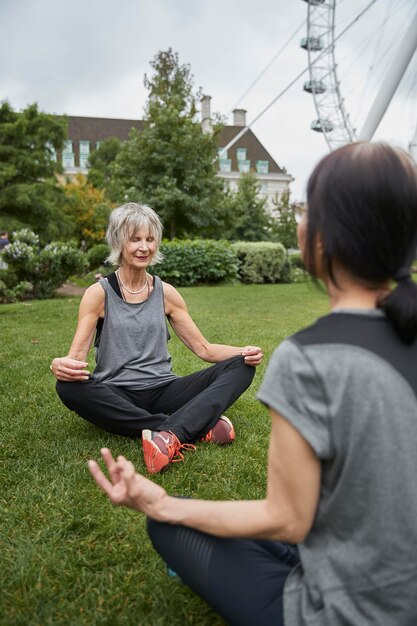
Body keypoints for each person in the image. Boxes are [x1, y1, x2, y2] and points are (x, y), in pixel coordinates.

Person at [88, 143, 417, 625]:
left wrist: (164, 504)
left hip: (347, 612)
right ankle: (177, 429)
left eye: (306, 207)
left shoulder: (309, 360)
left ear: (320, 238)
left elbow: (288, 519)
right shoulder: (102, 292)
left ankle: (174, 438)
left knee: (169, 526)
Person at [51, 202, 262, 474]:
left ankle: (169, 432)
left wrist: (243, 351)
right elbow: (76, 360)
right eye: (135, 239)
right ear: (119, 242)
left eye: (150, 239)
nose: (144, 247)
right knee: (67, 387)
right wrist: (59, 365)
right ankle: (188, 426)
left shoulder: (167, 293)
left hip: (165, 389)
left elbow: (204, 349)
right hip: (118, 393)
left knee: (242, 365)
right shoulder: (98, 293)